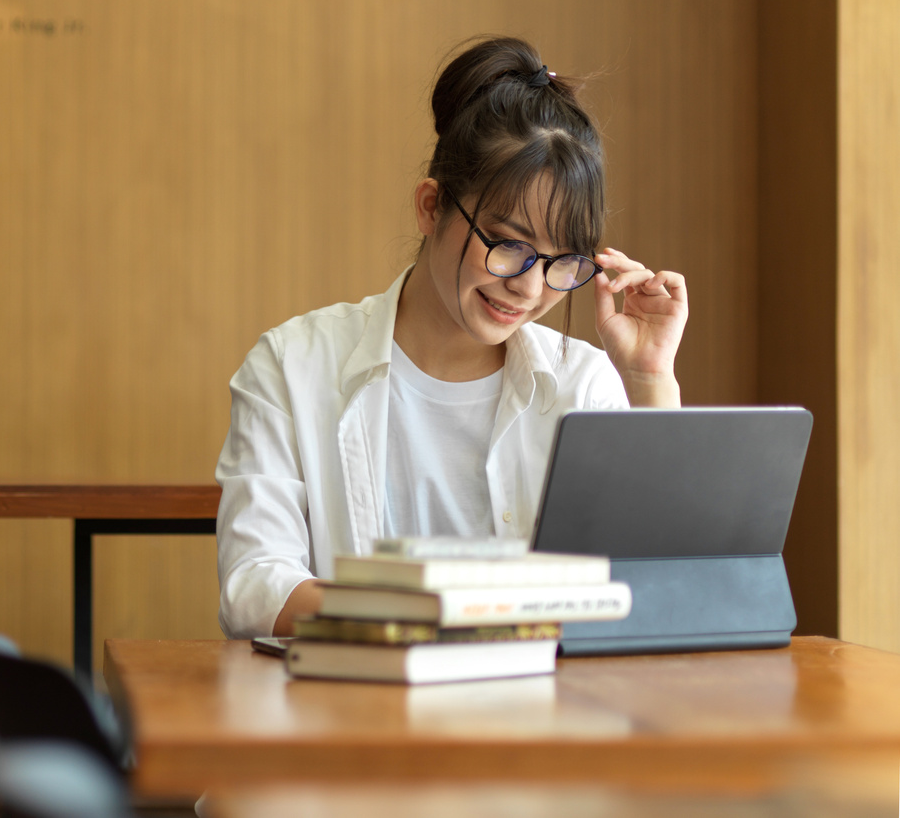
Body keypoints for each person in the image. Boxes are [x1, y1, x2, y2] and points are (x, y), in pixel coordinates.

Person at [214, 37, 688, 639]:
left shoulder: (582, 383)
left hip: (547, 719)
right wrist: (434, 613)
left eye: (562, 261)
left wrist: (649, 380)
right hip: (358, 715)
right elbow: (255, 587)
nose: (530, 288)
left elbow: (663, 591)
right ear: (431, 206)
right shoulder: (292, 366)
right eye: (508, 246)